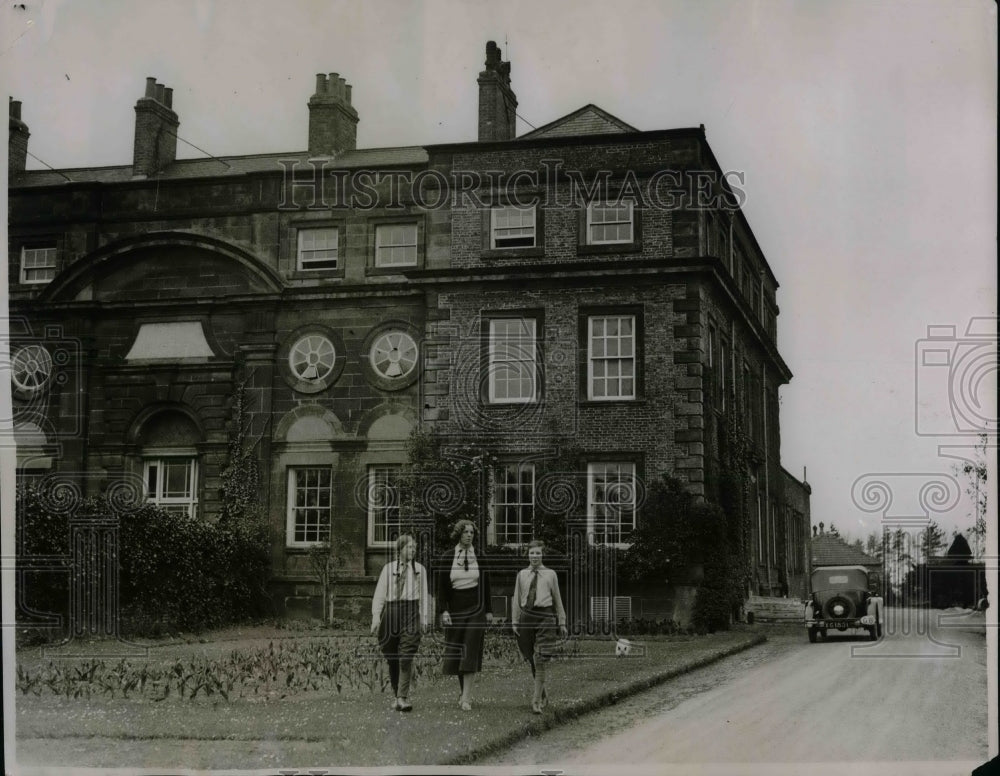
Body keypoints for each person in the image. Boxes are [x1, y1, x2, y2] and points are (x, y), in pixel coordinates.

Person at [436, 519, 493, 711]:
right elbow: (442, 588)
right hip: (455, 608)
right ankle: (463, 693)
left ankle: (467, 697)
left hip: (476, 608)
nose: (469, 535)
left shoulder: (480, 556)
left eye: (472, 532)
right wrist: (443, 610)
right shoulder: (447, 557)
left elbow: (486, 585)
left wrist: (489, 611)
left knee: (470, 650)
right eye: (466, 532)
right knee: (459, 651)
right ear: (458, 534)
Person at [370, 533, 431, 712]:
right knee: (392, 655)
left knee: (406, 654)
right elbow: (380, 594)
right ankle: (397, 693)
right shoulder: (388, 569)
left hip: (411, 612)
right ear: (400, 549)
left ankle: (402, 698)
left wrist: (425, 619)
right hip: (391, 612)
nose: (413, 550)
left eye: (415, 548)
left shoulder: (420, 570)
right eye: (410, 547)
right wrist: (376, 617)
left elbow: (424, 596)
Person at [511, 539, 568, 714]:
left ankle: (535, 700)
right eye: (532, 553)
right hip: (527, 617)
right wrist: (514, 621)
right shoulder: (522, 574)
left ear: (543, 554)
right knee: (530, 657)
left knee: (540, 658)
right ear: (527, 555)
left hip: (545, 616)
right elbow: (516, 599)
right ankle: (542, 694)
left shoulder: (550, 574)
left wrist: (562, 621)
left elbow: (557, 598)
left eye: (538, 553)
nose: (534, 556)